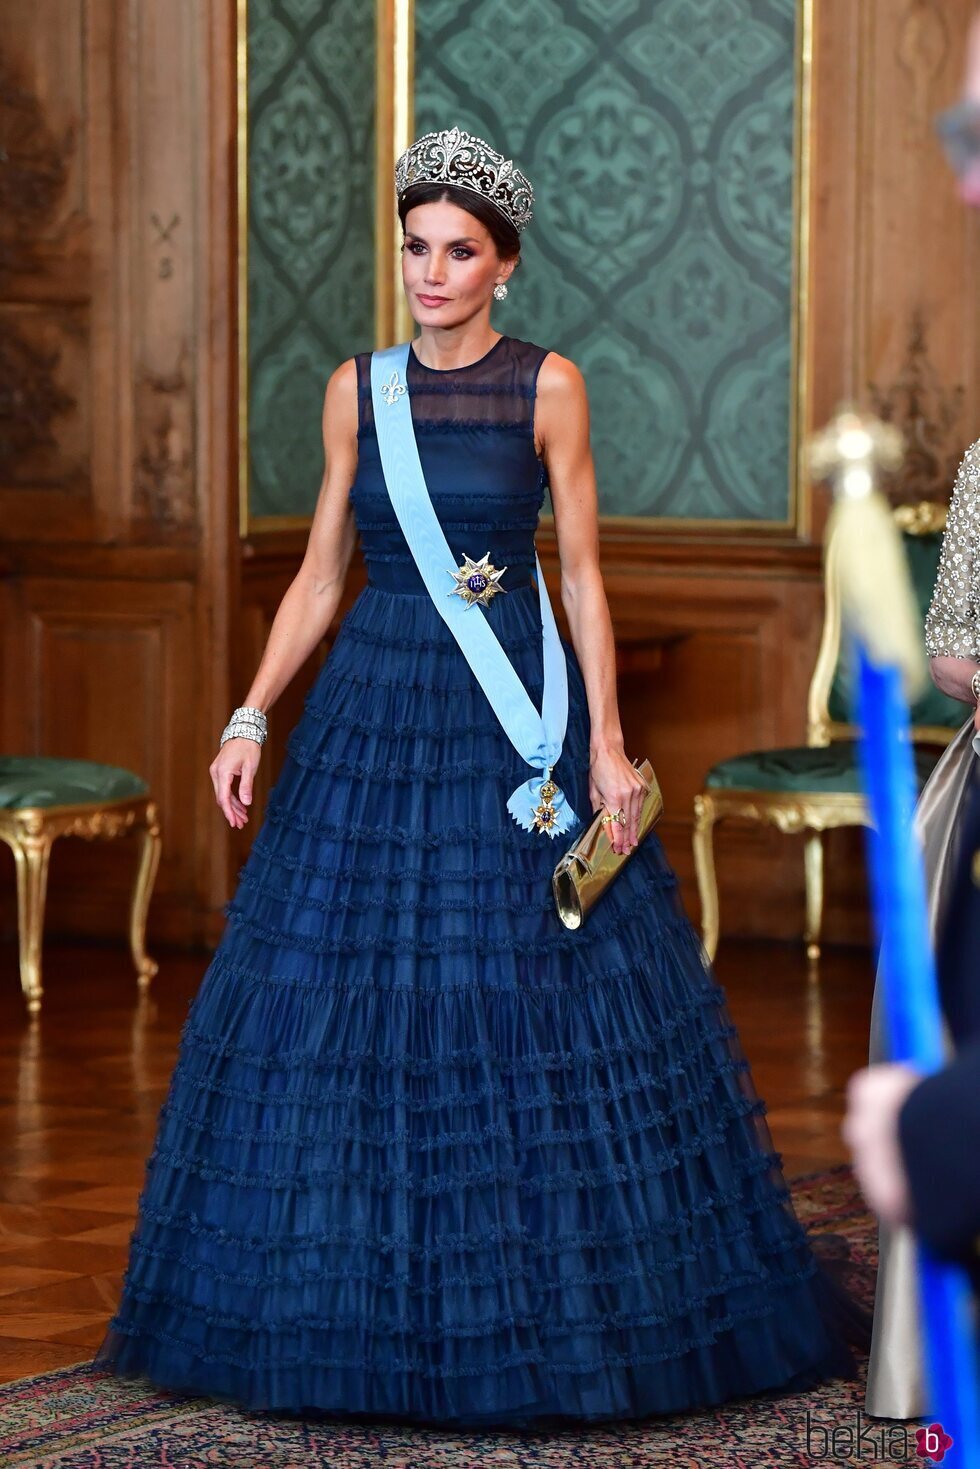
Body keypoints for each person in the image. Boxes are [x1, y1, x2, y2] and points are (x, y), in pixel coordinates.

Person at [97, 127, 857, 1428]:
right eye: (414, 248)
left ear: (503, 265)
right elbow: (324, 575)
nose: (431, 273)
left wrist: (610, 744)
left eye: (458, 252)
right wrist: (246, 714)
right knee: (344, 1006)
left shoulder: (549, 387)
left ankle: (551, 1301)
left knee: (533, 993)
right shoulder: (356, 390)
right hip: (372, 716)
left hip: (518, 723)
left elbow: (582, 576)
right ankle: (344, 1301)